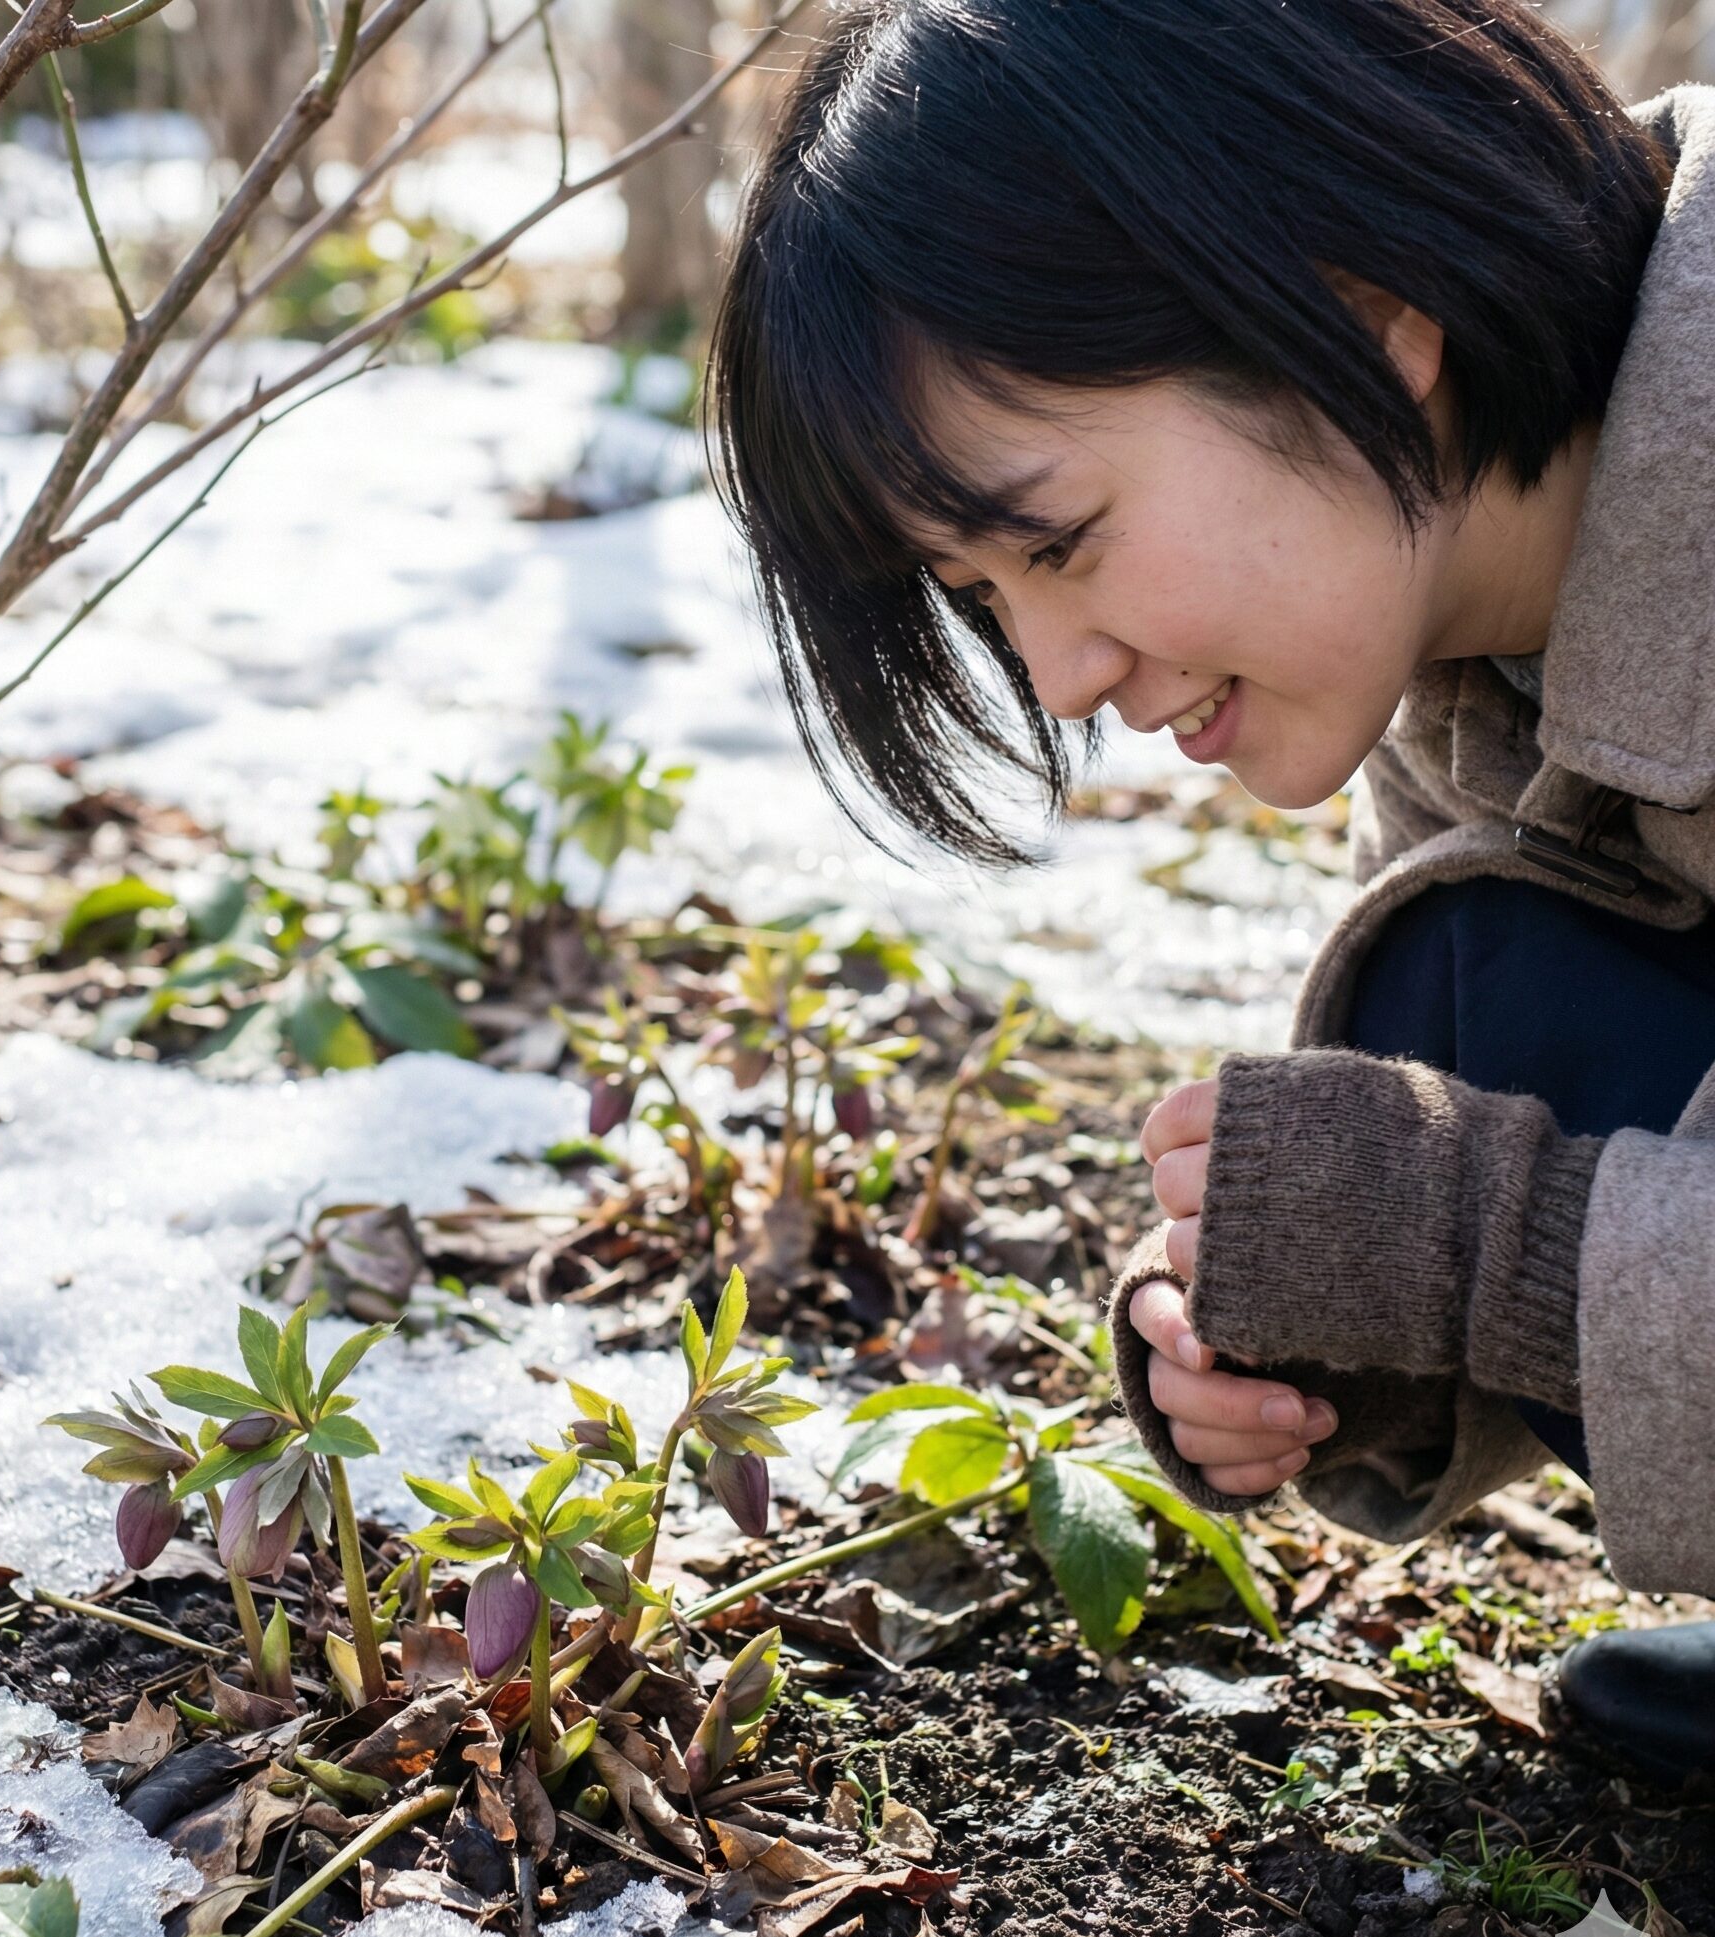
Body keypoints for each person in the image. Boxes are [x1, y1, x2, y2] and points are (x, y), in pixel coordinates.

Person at [705, 0, 1715, 1784]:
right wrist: (1330, 1316)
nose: (1062, 676)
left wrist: (1494, 1243)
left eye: (1059, 541)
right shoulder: (1472, 628)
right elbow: (1544, 1123)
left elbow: (1522, 1213)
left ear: (1357, 318)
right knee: (1464, 979)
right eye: (977, 593)